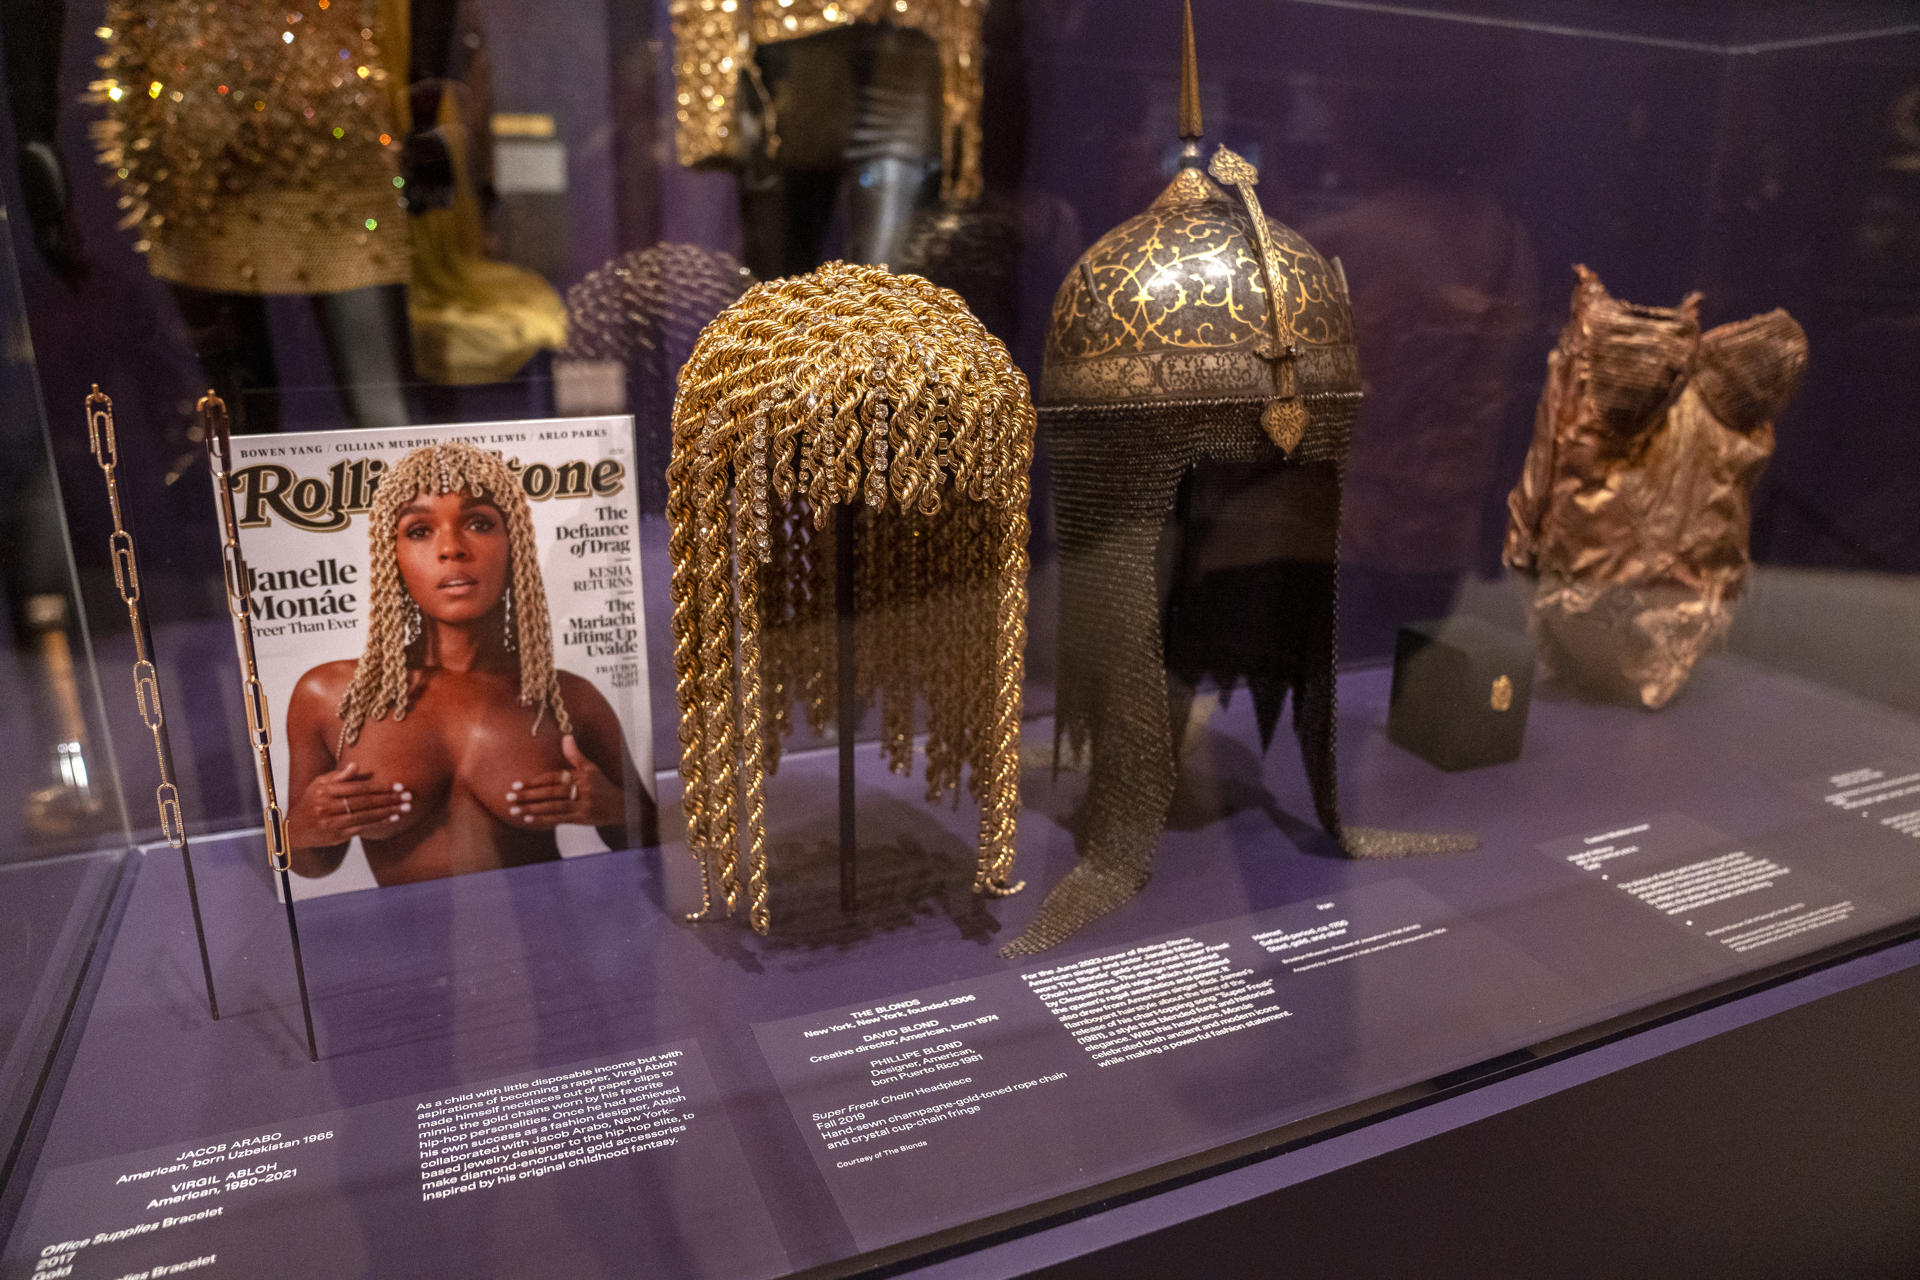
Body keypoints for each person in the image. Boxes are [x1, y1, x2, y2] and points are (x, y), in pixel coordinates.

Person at [284, 442, 652, 884]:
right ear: (391, 557)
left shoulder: (567, 698)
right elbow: (312, 867)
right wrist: (304, 827)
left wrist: (613, 808)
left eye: (479, 523)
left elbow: (650, 842)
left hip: (551, 938)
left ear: (514, 544)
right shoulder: (331, 696)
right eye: (419, 530)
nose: (452, 548)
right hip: (405, 950)